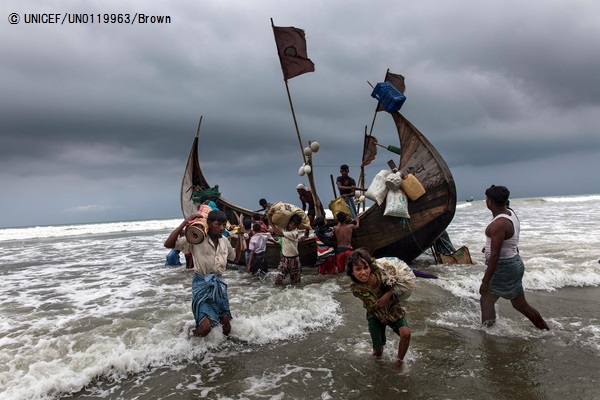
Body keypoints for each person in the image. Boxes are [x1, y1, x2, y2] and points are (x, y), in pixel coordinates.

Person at [479, 185, 549, 330]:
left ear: (490, 202)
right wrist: (491, 246)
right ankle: (545, 330)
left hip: (503, 267)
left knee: (486, 299)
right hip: (514, 262)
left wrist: (485, 281)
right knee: (520, 304)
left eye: (487, 199)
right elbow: (509, 240)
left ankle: (488, 333)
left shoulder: (499, 223)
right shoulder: (510, 213)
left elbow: (495, 256)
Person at [164, 210, 244, 337]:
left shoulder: (224, 240)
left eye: (224, 225)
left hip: (218, 284)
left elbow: (235, 258)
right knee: (205, 329)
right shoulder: (196, 238)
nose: (221, 228)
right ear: (209, 223)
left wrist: (240, 237)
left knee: (226, 326)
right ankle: (188, 336)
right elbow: (168, 244)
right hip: (202, 283)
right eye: (218, 224)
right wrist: (184, 223)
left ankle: (224, 353)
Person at [346, 248, 411, 365]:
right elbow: (378, 304)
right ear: (352, 272)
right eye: (358, 269)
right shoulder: (357, 289)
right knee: (378, 352)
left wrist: (395, 275)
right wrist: (391, 288)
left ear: (370, 267)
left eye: (365, 267)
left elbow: (382, 263)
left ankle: (399, 362)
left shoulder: (378, 272)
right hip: (375, 314)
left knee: (406, 334)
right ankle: (377, 370)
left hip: (392, 308)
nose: (363, 272)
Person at [269, 213, 303, 284]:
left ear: (297, 226)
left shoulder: (294, 233)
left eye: (294, 225)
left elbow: (279, 234)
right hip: (284, 259)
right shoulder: (284, 229)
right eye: (291, 223)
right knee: (278, 280)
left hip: (294, 260)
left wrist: (270, 223)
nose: (292, 226)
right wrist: (272, 233)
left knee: (295, 283)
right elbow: (278, 236)